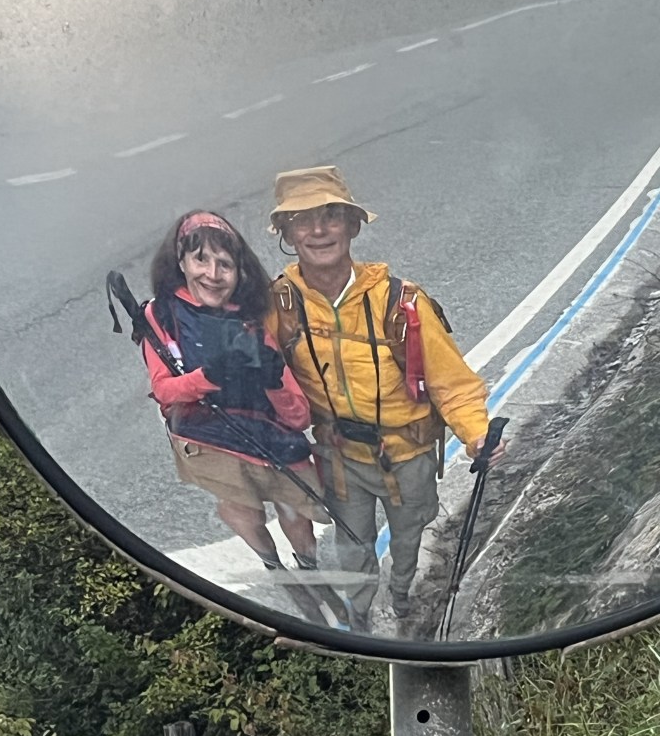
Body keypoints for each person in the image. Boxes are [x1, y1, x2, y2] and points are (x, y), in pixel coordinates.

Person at [267, 166, 506, 630]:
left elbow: (452, 383)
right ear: (287, 235)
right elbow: (249, 368)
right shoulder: (280, 305)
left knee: (408, 537)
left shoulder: (400, 303)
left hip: (407, 453)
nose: (318, 230)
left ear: (352, 227)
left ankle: (401, 596)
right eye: (302, 220)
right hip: (339, 455)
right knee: (352, 544)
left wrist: (477, 434)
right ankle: (361, 620)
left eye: (331, 216)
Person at [143, 209, 331, 576]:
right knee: (243, 507)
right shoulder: (160, 316)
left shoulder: (251, 321)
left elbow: (299, 416)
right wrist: (211, 377)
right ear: (181, 261)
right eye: (201, 259)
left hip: (264, 430)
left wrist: (272, 381)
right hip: (207, 435)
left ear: (239, 273)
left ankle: (308, 568)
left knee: (297, 506)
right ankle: (272, 564)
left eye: (225, 265)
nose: (212, 274)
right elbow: (165, 391)